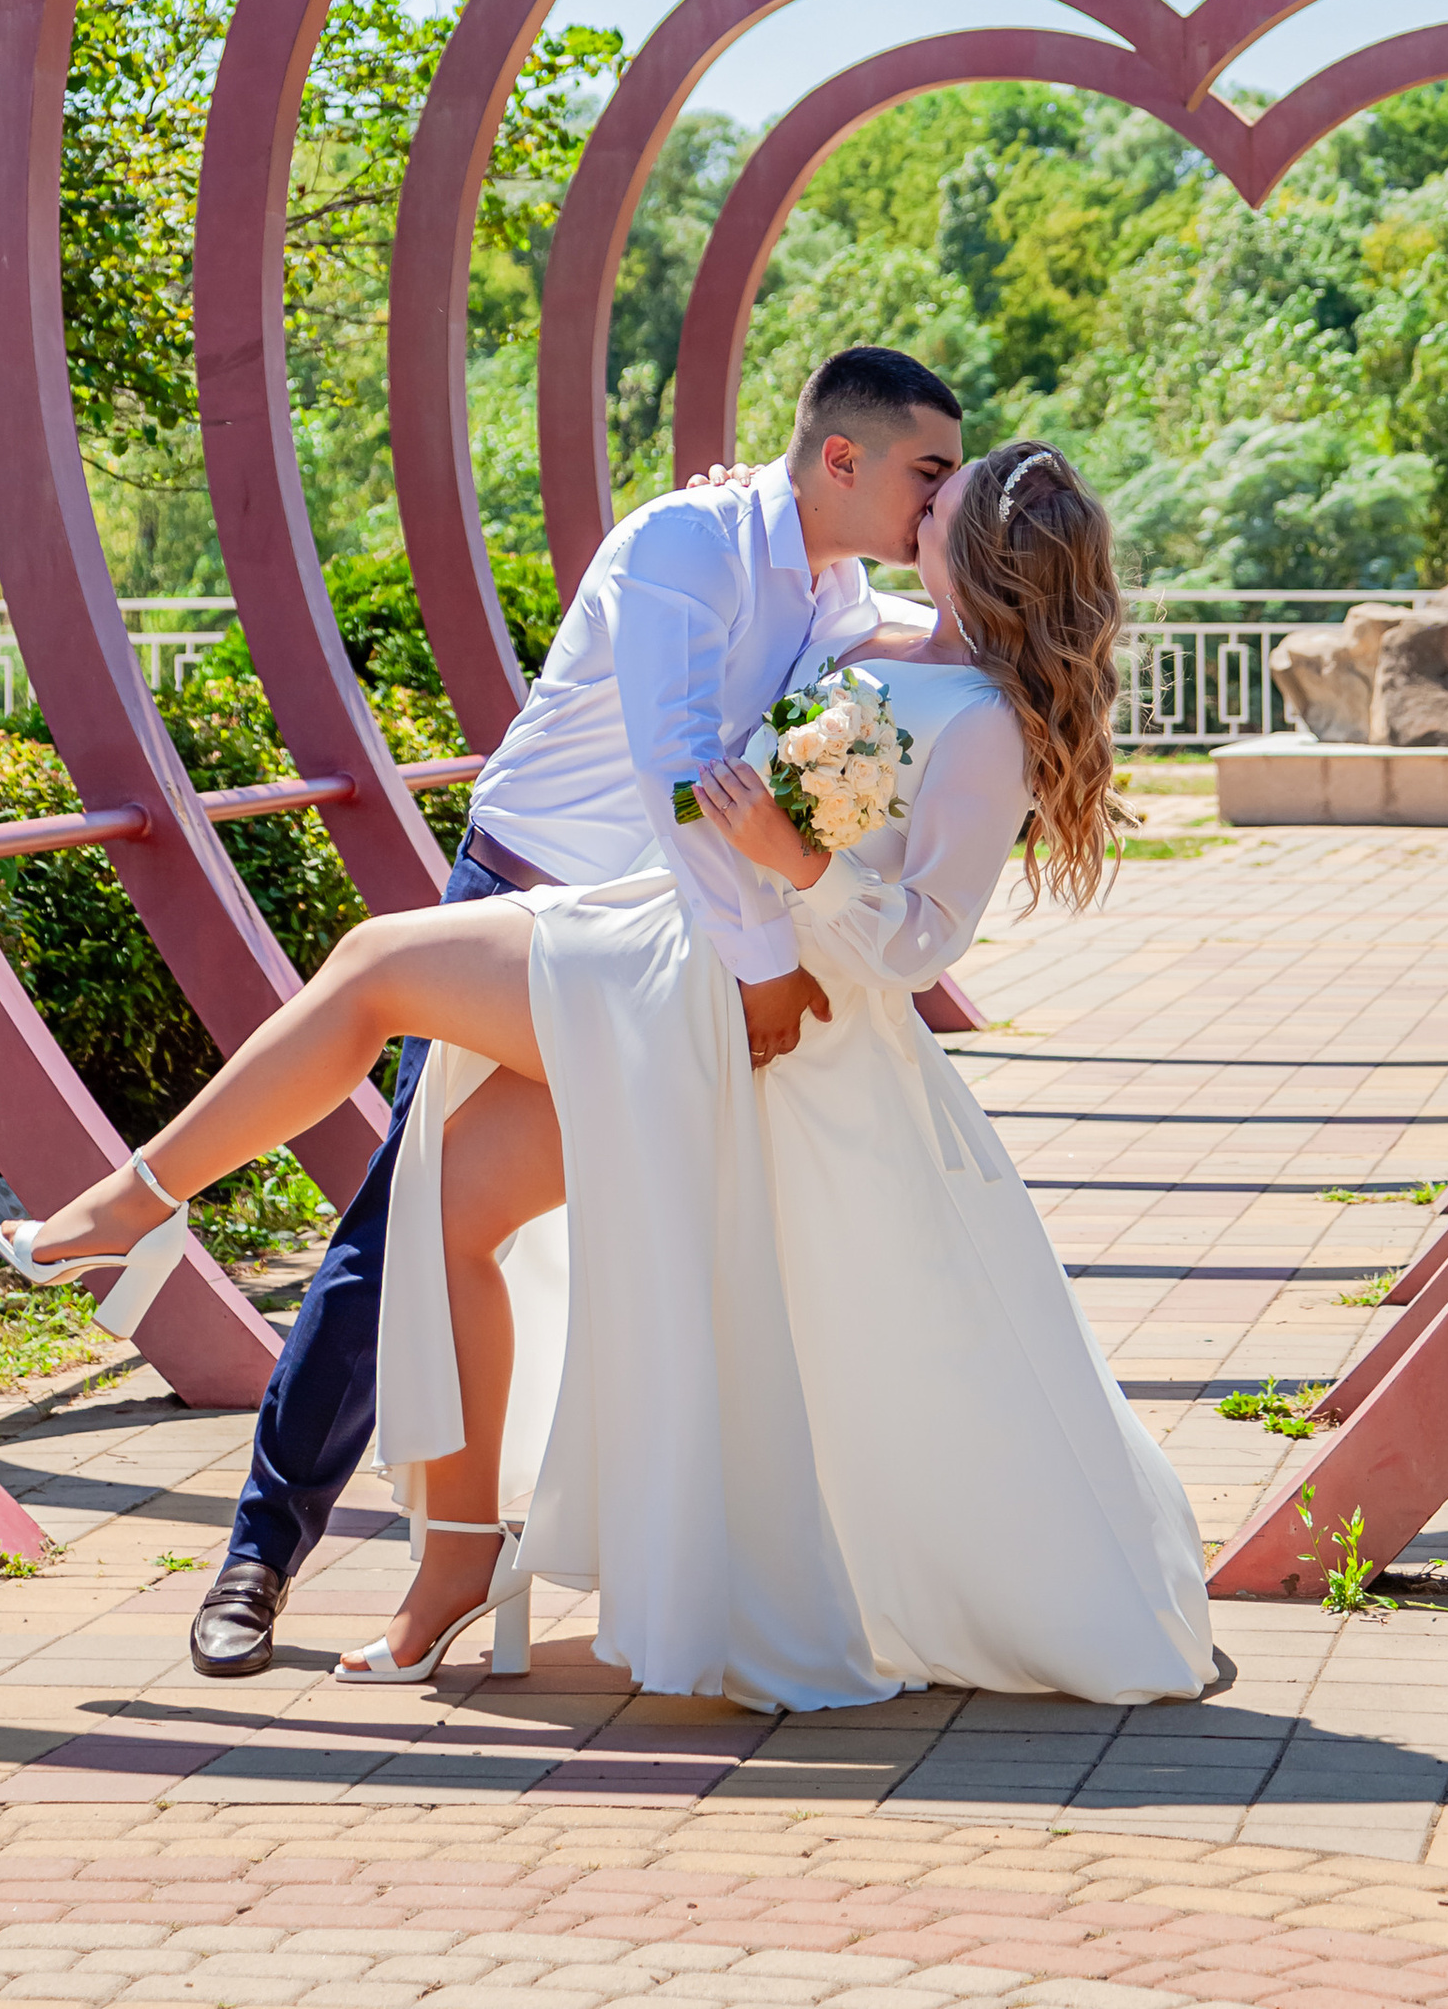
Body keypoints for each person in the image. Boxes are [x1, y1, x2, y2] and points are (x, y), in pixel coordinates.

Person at [0, 436, 1214, 1714]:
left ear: (978, 554)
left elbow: (919, 944)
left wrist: (794, 862)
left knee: (369, 968)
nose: (916, 509)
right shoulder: (879, 633)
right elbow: (751, 645)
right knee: (445, 1208)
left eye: (939, 504)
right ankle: (456, 1559)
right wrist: (732, 515)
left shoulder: (986, 733)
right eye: (923, 486)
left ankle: (133, 1206)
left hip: (711, 992)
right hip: (678, 947)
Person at [130, 346, 963, 1678]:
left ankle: (569, 1548)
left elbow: (891, 715)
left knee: (481, 1218)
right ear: (845, 459)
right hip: (524, 910)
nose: (947, 497)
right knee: (406, 1223)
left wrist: (1029, 619)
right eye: (932, 471)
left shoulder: (841, 588)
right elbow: (680, 773)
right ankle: (262, 1553)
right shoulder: (688, 544)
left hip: (649, 950)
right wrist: (762, 964)